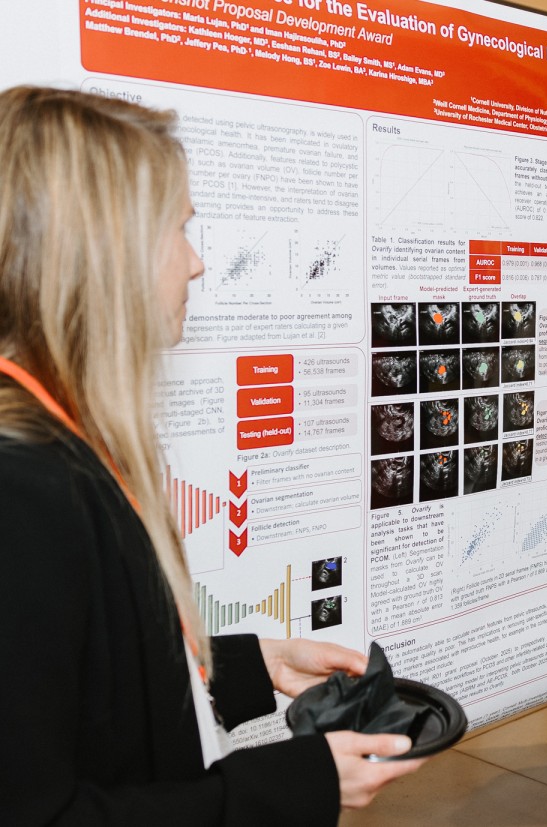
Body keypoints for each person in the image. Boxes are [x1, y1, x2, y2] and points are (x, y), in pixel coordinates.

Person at [0, 86, 424, 824]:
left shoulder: (58, 441)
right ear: (106, 253)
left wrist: (247, 665)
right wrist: (290, 787)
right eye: (178, 229)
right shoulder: (22, 491)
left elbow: (83, 694)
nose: (196, 264)